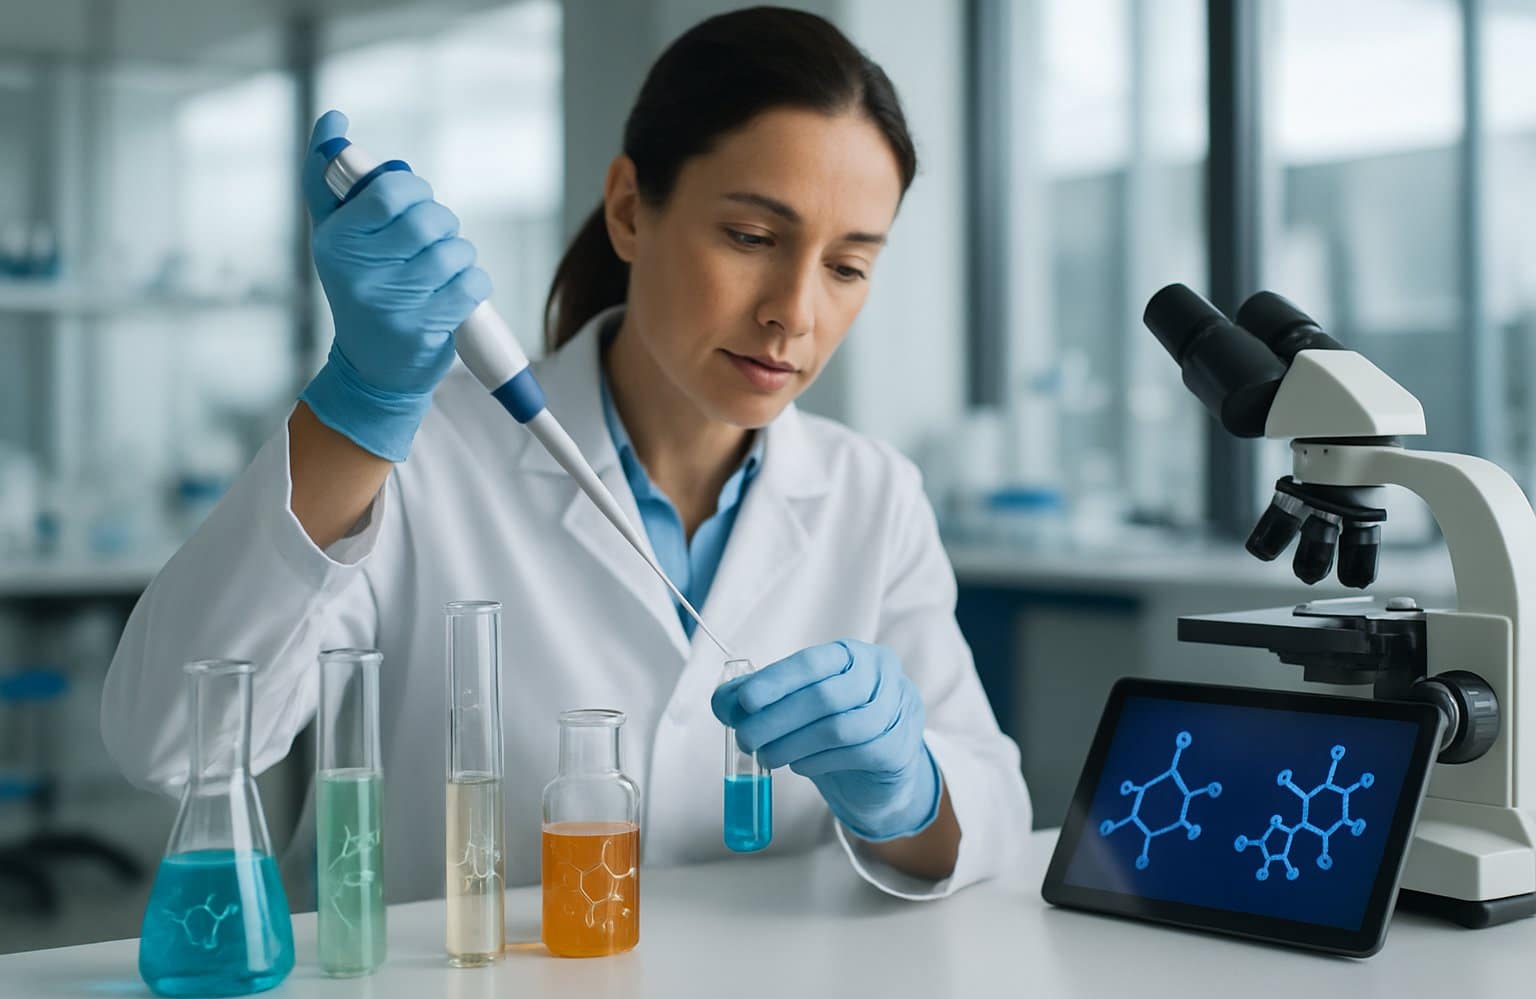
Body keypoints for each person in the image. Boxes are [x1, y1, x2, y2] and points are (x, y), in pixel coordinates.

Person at [101, 5, 1030, 907]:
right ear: (629, 210)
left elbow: (993, 808)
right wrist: (358, 411)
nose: (795, 311)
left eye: (847, 266)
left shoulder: (873, 494)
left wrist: (909, 792)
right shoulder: (421, 460)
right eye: (752, 238)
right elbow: (172, 745)